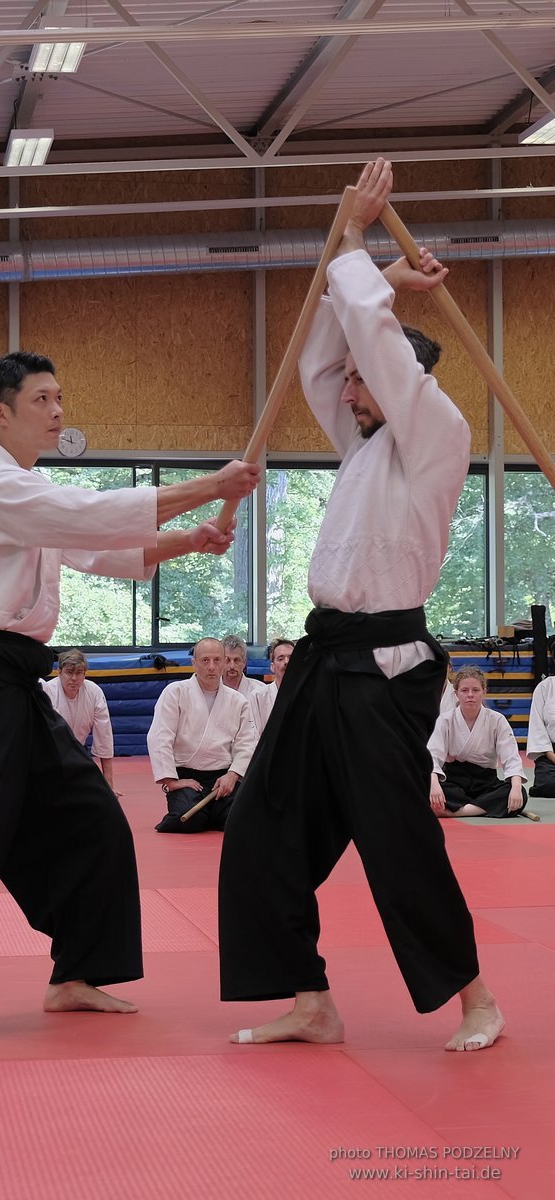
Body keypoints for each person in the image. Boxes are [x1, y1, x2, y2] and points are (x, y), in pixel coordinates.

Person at [0, 350, 260, 1038]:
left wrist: (191, 541)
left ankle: (76, 974)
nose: (58, 411)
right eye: (42, 400)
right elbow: (90, 517)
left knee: (93, 820)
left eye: (60, 397)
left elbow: (100, 549)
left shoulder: (30, 489)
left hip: (18, 683)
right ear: (1, 412)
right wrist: (210, 485)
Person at [218, 159, 503, 1054]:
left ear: (406, 384)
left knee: (393, 839)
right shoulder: (366, 445)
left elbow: (374, 348)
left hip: (387, 668)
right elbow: (321, 357)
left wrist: (353, 243)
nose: (344, 393)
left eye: (364, 382)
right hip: (324, 657)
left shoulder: (437, 434)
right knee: (261, 828)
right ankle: (309, 998)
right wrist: (369, 272)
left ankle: (477, 1001)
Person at [147, 637, 257, 833]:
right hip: (188, 777)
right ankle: (208, 813)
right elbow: (159, 737)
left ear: (223, 662)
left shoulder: (238, 701)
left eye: (217, 660)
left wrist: (233, 775)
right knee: (189, 818)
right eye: (205, 660)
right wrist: (172, 782)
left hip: (222, 779)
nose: (212, 667)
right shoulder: (175, 693)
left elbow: (247, 742)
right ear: (194, 663)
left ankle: (211, 812)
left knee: (247, 817)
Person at [429, 667, 527, 819]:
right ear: (456, 693)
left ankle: (459, 811)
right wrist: (434, 784)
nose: (470, 695)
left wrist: (515, 788)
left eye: (475, 690)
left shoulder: (497, 720)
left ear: (484, 692)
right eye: (464, 690)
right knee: (424, 786)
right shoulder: (445, 720)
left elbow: (511, 757)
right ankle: (484, 806)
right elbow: (433, 756)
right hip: (454, 780)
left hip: (485, 782)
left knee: (519, 793)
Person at [43, 649, 119, 794]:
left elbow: (104, 735)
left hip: (78, 751)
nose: (74, 678)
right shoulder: (48, 691)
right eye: (69, 672)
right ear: (59, 672)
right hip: (50, 754)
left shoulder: (94, 692)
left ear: (84, 674)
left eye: (78, 673)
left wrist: (109, 783)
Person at [249, 638, 294, 738]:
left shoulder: (308, 696)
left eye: (291, 658)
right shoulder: (258, 697)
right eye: (280, 658)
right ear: (272, 667)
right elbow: (253, 737)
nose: (286, 662)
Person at [526, 671, 555, 796]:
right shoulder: (545, 687)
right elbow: (537, 726)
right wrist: (551, 755)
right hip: (550, 752)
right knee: (547, 785)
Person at [221, 635, 267, 699]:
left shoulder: (261, 691)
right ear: (220, 662)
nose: (232, 666)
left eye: (236, 660)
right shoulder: (210, 689)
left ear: (244, 662)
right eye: (227, 660)